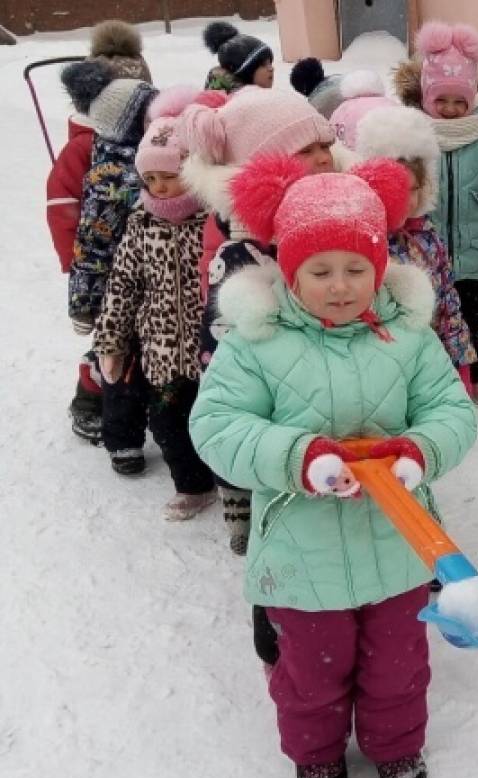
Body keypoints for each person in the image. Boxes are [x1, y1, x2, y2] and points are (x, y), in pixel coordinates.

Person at [189, 154, 477, 778]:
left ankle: (396, 744)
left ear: (379, 268)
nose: (340, 285)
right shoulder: (253, 342)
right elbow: (216, 427)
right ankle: (316, 753)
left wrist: (419, 453)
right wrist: (297, 457)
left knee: (397, 663)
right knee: (311, 667)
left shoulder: (405, 336)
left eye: (356, 269)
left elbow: (449, 411)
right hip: (301, 551)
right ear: (289, 269)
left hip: (398, 544)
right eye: (320, 271)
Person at [179, 86, 340, 556]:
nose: (323, 159)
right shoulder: (242, 237)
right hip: (266, 364)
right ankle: (249, 510)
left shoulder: (330, 203)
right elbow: (230, 326)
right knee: (272, 451)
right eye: (304, 151)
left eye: (325, 146)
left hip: (324, 369)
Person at [93, 96, 216, 519]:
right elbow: (123, 284)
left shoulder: (213, 221)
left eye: (171, 175)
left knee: (214, 420)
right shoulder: (141, 223)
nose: (161, 187)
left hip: (210, 352)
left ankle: (228, 482)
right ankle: (192, 485)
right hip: (160, 352)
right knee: (166, 423)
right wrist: (110, 341)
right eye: (152, 178)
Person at [393, 21, 478, 405]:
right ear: (426, 98)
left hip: (473, 249)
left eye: (459, 102)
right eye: (441, 101)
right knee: (425, 320)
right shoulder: (413, 133)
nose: (451, 110)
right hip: (423, 252)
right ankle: (432, 382)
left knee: (472, 320)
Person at [60, 60, 158, 473]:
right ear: (130, 121)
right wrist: (85, 299)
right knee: (119, 358)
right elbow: (93, 242)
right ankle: (118, 434)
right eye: (149, 112)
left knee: (150, 351)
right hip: (118, 286)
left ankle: (155, 419)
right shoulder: (111, 170)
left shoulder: (155, 154)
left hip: (155, 275)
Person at [356, 105, 477, 390]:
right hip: (387, 368)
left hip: (433, 357)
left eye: (414, 188)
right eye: (397, 189)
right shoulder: (363, 241)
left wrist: (458, 359)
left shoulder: (426, 235)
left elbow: (447, 298)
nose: (408, 200)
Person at [202, 21, 274, 92]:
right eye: (263, 64)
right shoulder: (229, 102)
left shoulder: (251, 98)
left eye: (270, 63)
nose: (271, 69)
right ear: (245, 73)